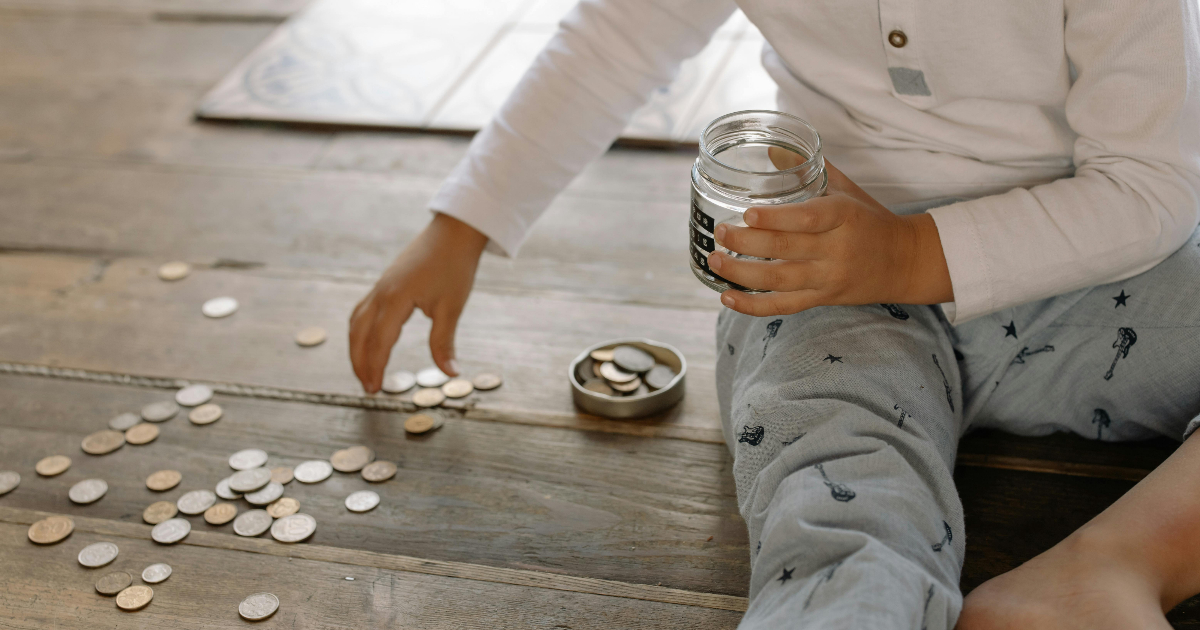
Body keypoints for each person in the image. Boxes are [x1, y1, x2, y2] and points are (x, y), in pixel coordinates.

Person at [348, 0, 1200, 627]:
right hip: (822, 286)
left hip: (1091, 278)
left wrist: (909, 253)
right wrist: (462, 223)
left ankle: (1117, 561)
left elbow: (1149, 189)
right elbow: (614, 37)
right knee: (835, 492)